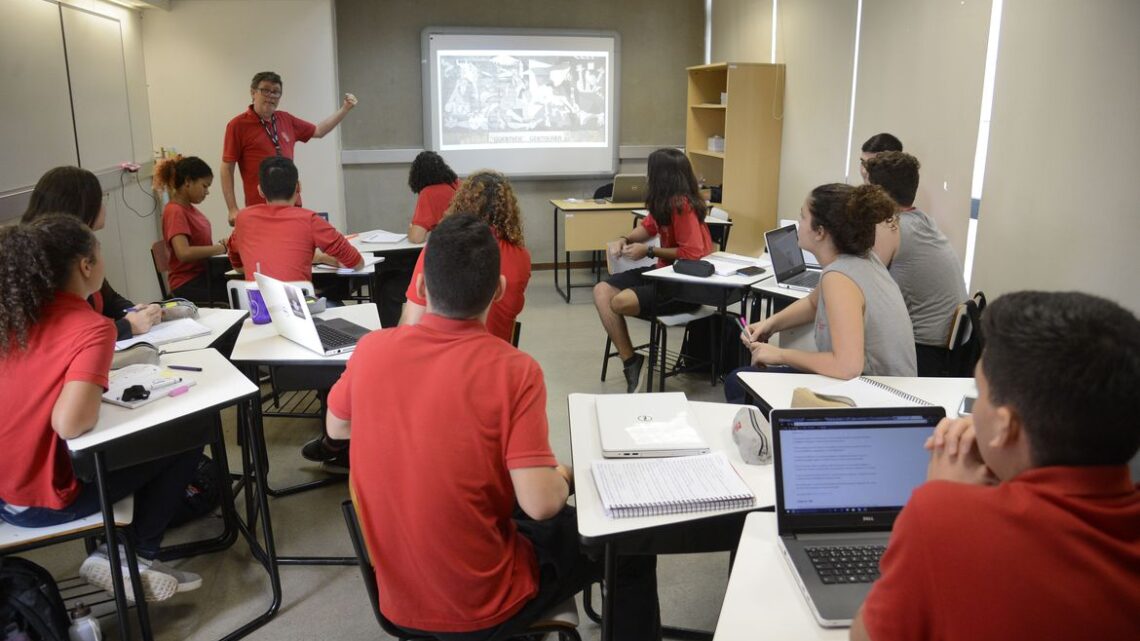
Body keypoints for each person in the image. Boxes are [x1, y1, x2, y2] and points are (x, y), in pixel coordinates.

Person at [326, 214, 660, 640]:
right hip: (484, 604)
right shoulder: (514, 370)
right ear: (499, 291)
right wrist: (566, 478)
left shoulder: (372, 350)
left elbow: (337, 429)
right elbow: (542, 505)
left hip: (397, 599)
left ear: (424, 287)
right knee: (631, 545)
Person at [851, 291, 1140, 641]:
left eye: (980, 392)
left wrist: (943, 496)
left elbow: (866, 636)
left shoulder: (942, 515)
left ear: (1005, 426)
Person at [0, 215, 202, 602]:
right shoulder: (92, 327)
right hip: (39, 502)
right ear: (85, 265)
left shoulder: (14, 314)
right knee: (188, 433)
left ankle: (126, 550)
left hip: (5, 490)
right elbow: (70, 423)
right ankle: (128, 555)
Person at [724, 183, 915, 404]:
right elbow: (813, 304)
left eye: (803, 217)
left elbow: (847, 367)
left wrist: (779, 355)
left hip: (875, 398)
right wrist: (770, 324)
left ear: (820, 232)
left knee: (738, 383)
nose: (798, 224)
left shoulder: (839, 277)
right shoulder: (863, 259)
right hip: (889, 390)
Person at [593, 147, 713, 393]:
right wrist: (624, 239)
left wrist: (648, 252)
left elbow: (692, 254)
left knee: (618, 302)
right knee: (602, 291)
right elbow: (646, 229)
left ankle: (635, 363)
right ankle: (632, 361)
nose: (647, 178)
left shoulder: (683, 206)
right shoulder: (664, 203)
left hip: (684, 286)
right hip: (662, 274)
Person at [21, 166, 162, 341]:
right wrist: (127, 326)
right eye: (101, 200)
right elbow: (68, 335)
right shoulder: (51, 261)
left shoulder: (79, 248)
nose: (103, 207)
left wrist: (137, 312)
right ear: (83, 207)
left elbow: (108, 299)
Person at [399, 169, 531, 343]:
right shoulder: (521, 256)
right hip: (495, 355)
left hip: (443, 357)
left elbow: (410, 323)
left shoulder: (441, 247)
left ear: (461, 203)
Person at [866, 152, 967, 375]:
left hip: (927, 355)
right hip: (952, 351)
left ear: (876, 194)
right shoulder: (921, 220)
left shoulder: (891, 228)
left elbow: (864, 286)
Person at [221, 71, 358, 225]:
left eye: (276, 92)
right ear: (253, 92)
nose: (271, 96)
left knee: (295, 247)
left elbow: (319, 131)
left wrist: (345, 109)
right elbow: (227, 167)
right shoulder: (238, 125)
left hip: (292, 204)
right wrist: (232, 208)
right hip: (260, 207)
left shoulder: (285, 119)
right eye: (265, 90)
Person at [227, 156, 364, 282]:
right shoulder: (310, 220)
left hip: (257, 306)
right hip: (298, 306)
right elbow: (356, 263)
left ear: (260, 190)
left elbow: (237, 265)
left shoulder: (243, 218)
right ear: (298, 186)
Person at [155, 156, 228, 303]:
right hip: (187, 283)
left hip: (202, 276)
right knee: (235, 290)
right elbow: (183, 253)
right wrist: (221, 248)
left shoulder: (188, 209)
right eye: (204, 186)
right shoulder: (175, 211)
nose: (207, 192)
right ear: (188, 181)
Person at [406, 151, 461, 244]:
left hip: (448, 249)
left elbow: (416, 238)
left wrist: (411, 227)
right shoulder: (459, 185)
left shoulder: (428, 193)